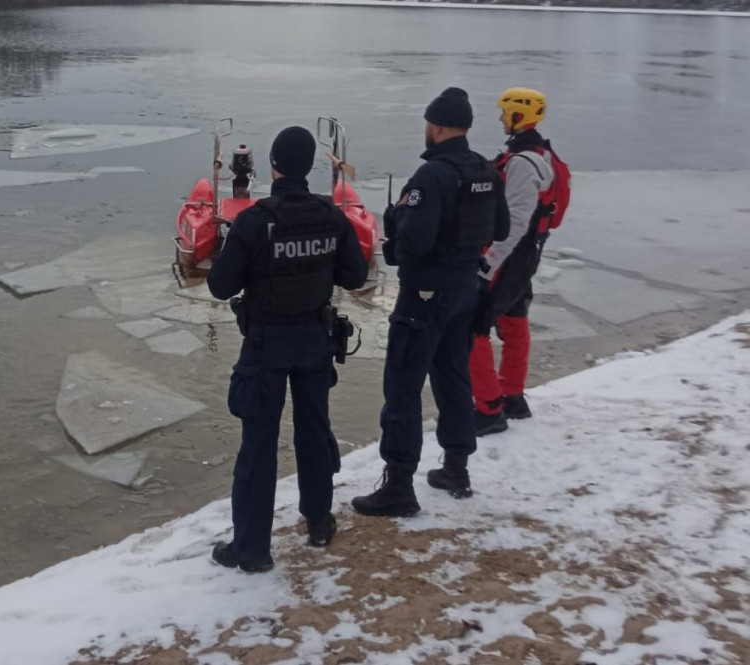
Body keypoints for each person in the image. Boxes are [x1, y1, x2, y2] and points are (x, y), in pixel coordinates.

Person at [207, 125, 369, 573]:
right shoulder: (332, 217)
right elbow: (356, 278)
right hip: (315, 342)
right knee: (314, 430)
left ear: (273, 166)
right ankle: (318, 521)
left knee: (258, 444)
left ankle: (252, 550)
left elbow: (221, 287)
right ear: (306, 167)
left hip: (266, 345)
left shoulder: (255, 222)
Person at [352, 88, 509, 516]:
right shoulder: (485, 171)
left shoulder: (433, 176)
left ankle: (399, 487)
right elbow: (499, 228)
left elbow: (415, 243)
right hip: (464, 291)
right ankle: (456, 468)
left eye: (428, 123)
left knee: (402, 386)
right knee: (453, 377)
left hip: (425, 294)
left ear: (436, 125)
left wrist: (397, 218)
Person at [471, 87, 564, 436]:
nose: (499, 119)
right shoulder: (542, 154)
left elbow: (517, 220)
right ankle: (512, 396)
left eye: (504, 113)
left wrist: (489, 263)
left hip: (512, 256)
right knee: (513, 319)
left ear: (518, 116)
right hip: (527, 255)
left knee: (473, 327)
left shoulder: (524, 163)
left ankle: (489, 408)